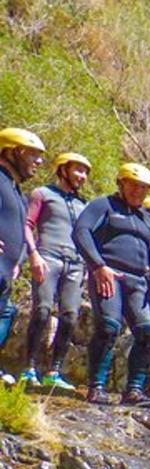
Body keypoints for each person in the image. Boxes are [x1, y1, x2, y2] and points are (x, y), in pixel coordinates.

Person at [72, 162, 150, 405]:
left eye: (144, 188)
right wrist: (98, 266)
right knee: (108, 327)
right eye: (134, 186)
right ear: (121, 183)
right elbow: (81, 232)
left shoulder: (148, 219)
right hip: (109, 275)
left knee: (148, 331)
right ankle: (96, 387)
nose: (139, 191)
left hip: (139, 281)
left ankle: (134, 391)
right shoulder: (103, 205)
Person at [22, 150, 88, 390]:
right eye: (78, 170)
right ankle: (28, 368)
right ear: (63, 169)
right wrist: (33, 254)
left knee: (70, 316)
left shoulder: (84, 204)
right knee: (42, 310)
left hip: (75, 263)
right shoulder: (42, 194)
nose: (82, 176)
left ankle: (54, 371)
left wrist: (89, 264)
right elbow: (27, 225)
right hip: (47, 256)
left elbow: (86, 237)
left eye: (85, 172)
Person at [0, 127, 46, 385]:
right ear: (12, 152)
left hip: (5, 271)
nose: (39, 162)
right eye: (33, 155)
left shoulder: (16, 190)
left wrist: (17, 261)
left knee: (5, 312)